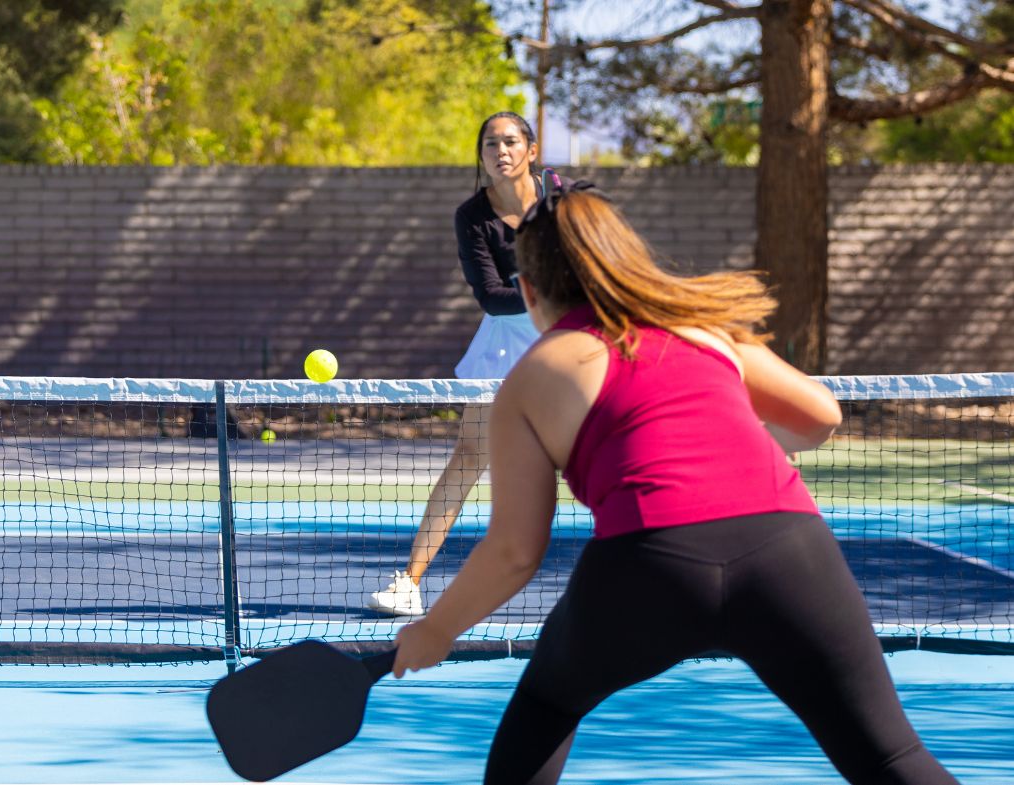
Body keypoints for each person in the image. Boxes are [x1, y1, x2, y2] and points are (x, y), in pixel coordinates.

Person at [390, 182, 958, 784]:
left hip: (649, 565)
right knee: (891, 759)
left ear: (528, 291)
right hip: (789, 553)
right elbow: (821, 416)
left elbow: (514, 551)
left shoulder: (531, 378)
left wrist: (436, 629)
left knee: (546, 709)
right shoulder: (704, 329)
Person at [368, 111, 548, 616]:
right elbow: (491, 297)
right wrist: (552, 295)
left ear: (530, 150)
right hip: (504, 348)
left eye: (510, 141)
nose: (501, 151)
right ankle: (408, 581)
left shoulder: (562, 199)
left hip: (570, 343)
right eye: (490, 144)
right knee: (469, 457)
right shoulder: (472, 217)